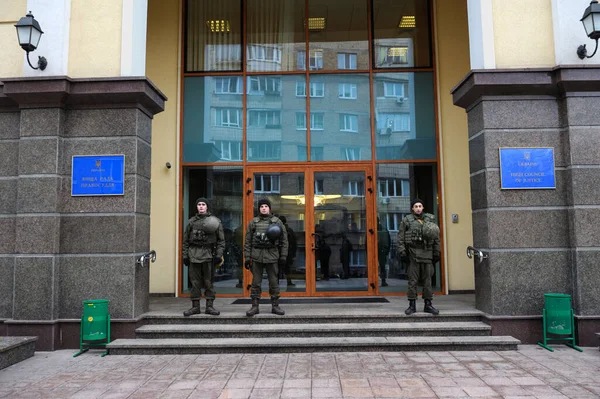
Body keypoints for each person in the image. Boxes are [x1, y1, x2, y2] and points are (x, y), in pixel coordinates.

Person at [244, 198, 288, 316]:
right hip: (257, 256)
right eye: (261, 206)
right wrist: (247, 257)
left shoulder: (277, 222)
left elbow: (284, 241)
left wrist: (283, 256)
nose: (264, 208)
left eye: (266, 206)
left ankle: (275, 306)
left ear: (269, 208)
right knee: (256, 282)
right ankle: (254, 306)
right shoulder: (253, 223)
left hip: (272, 255)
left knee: (273, 282)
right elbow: (247, 242)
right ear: (259, 209)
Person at [182, 197, 225, 316]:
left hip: (209, 255)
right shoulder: (191, 222)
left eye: (203, 204)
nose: (201, 206)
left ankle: (209, 307)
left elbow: (221, 241)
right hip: (193, 255)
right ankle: (195, 307)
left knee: (208, 282)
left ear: (207, 207)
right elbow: (185, 241)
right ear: (197, 207)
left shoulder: (215, 222)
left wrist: (218, 255)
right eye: (199, 204)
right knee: (195, 282)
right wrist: (185, 256)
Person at [397, 198, 441, 315]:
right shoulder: (407, 221)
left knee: (427, 281)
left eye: (420, 206)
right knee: (413, 281)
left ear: (423, 208)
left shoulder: (430, 220)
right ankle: (412, 305)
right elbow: (401, 238)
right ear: (412, 208)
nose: (418, 208)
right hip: (413, 253)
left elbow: (436, 238)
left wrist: (437, 253)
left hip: (427, 253)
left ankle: (428, 304)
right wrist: (402, 252)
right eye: (415, 206)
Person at [278, 215, 296, 286]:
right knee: (287, 268)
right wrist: (293, 252)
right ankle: (289, 281)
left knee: (277, 268)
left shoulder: (277, 229)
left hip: (280, 251)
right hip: (288, 251)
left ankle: (276, 283)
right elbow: (294, 242)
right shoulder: (289, 230)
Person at [377, 217, 391, 287]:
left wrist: (387, 251)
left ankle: (383, 280)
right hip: (375, 250)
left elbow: (388, 241)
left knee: (382, 266)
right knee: (375, 266)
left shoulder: (383, 230)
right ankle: (375, 281)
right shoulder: (371, 229)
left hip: (382, 250)